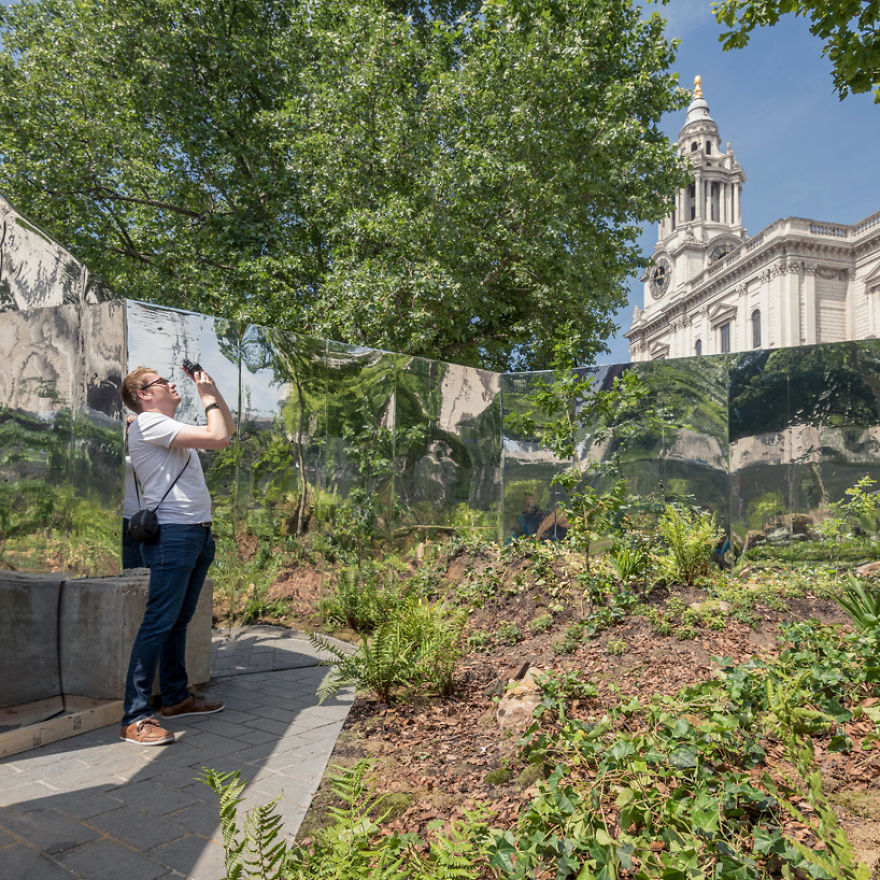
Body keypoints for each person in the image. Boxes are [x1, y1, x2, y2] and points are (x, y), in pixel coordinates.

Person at [118, 363, 236, 746]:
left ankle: (175, 698)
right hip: (173, 534)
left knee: (178, 621)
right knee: (159, 622)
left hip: (196, 533)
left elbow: (227, 431)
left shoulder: (168, 426)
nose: (171, 383)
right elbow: (217, 436)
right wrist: (205, 397)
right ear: (143, 395)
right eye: (161, 381)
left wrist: (213, 392)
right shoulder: (147, 423)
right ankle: (135, 717)